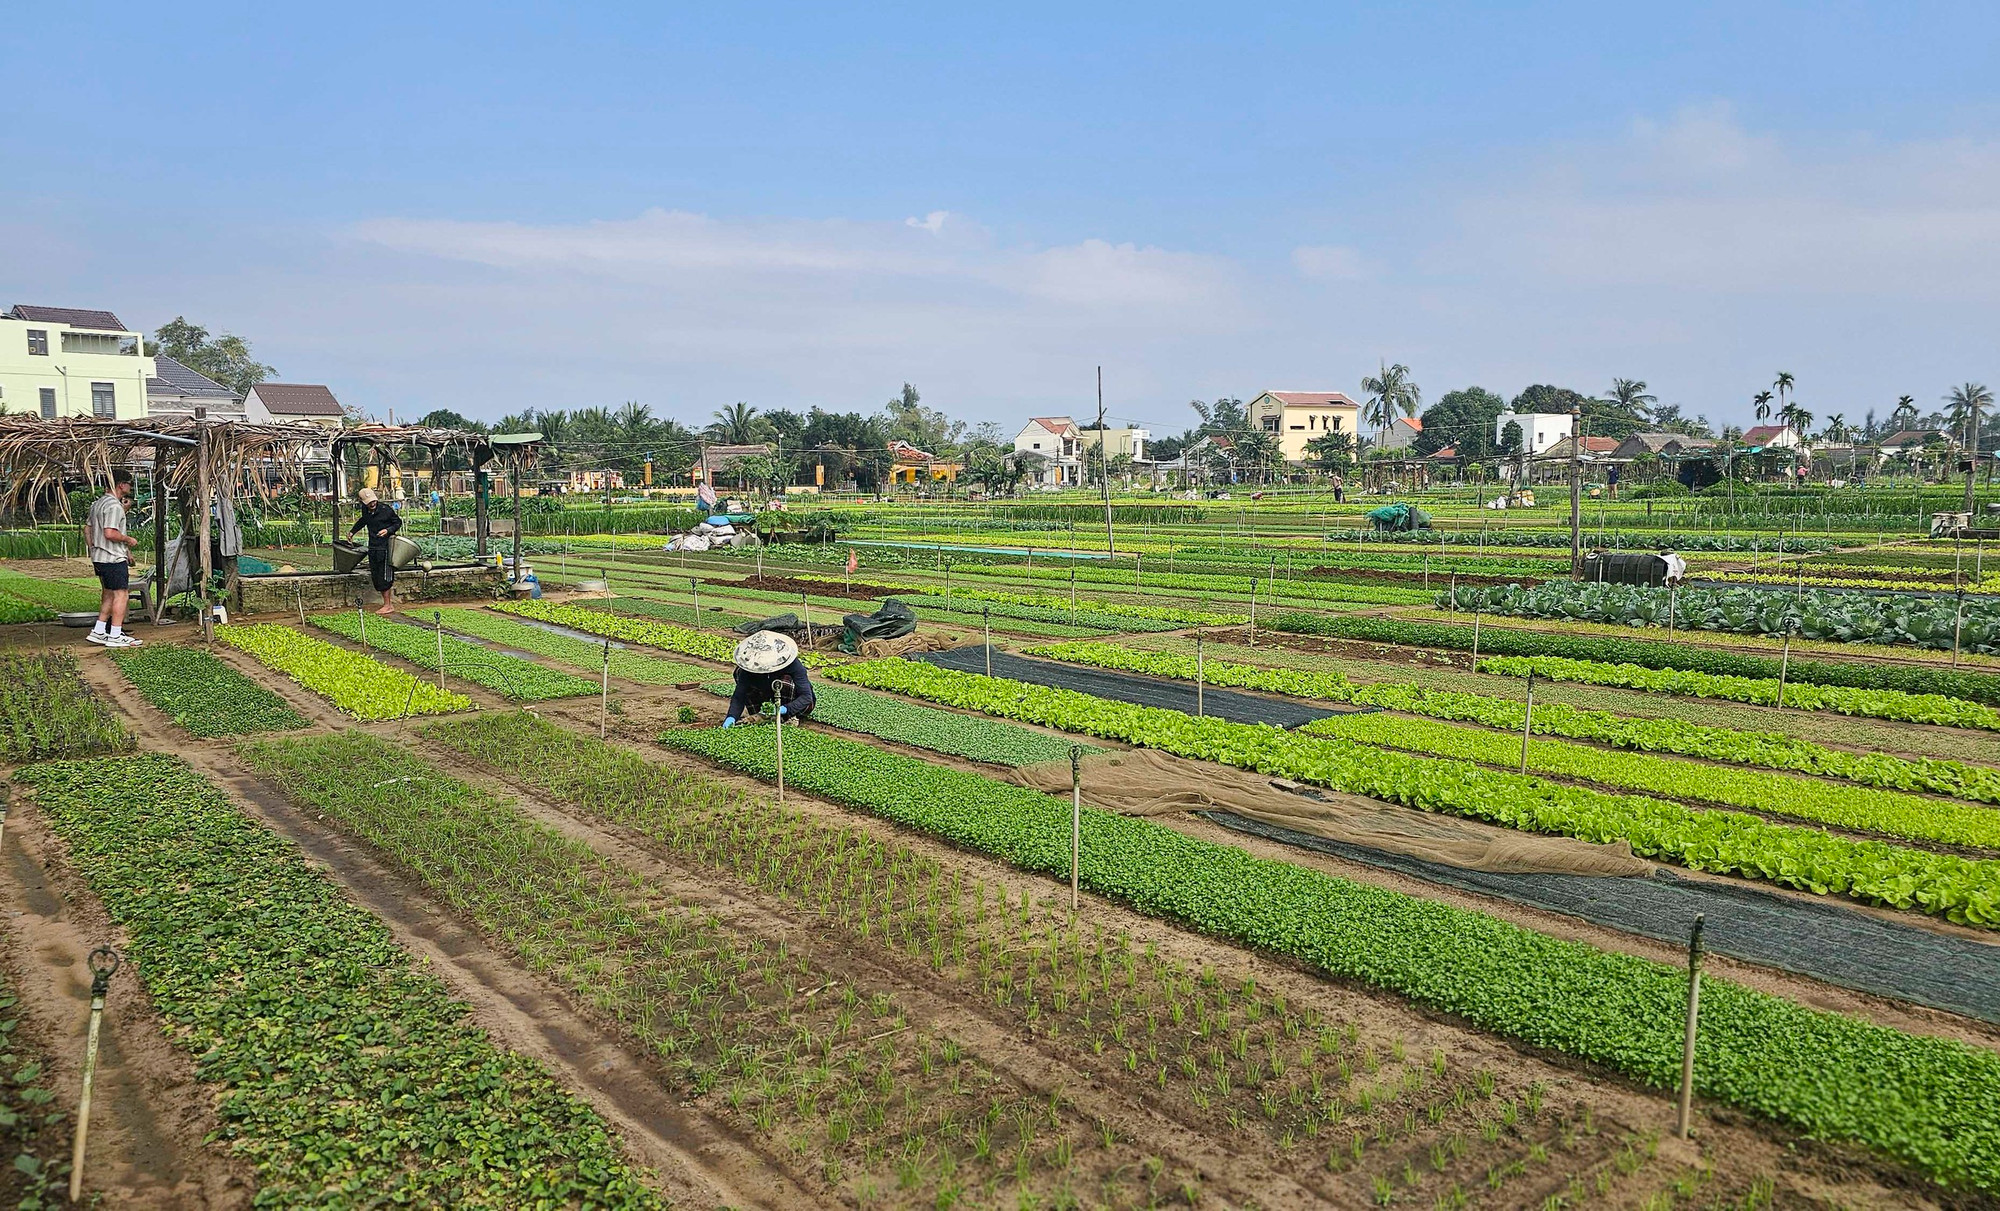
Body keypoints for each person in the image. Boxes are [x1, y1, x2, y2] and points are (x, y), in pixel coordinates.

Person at [86, 470, 142, 648]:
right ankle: (116, 634)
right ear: (121, 485)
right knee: (121, 594)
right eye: (129, 483)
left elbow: (87, 529)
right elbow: (110, 533)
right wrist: (128, 539)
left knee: (109, 593)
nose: (130, 487)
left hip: (100, 557)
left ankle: (99, 630)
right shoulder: (113, 506)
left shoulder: (98, 504)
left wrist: (93, 548)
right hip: (112, 557)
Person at [721, 630, 815, 727]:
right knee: (739, 672)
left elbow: (806, 697)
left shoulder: (793, 664)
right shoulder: (751, 666)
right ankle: (760, 713)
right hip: (767, 693)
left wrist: (785, 709)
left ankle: (788, 717)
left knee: (786, 682)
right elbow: (739, 696)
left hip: (796, 703)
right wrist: (731, 717)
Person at [350, 487, 403, 614]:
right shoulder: (366, 511)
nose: (372, 504)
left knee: (385, 576)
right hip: (373, 547)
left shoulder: (385, 510)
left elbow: (398, 522)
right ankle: (386, 604)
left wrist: (388, 530)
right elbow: (363, 521)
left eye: (373, 501)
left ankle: (388, 605)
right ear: (363, 502)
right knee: (376, 575)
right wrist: (352, 531)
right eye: (369, 502)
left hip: (386, 547)